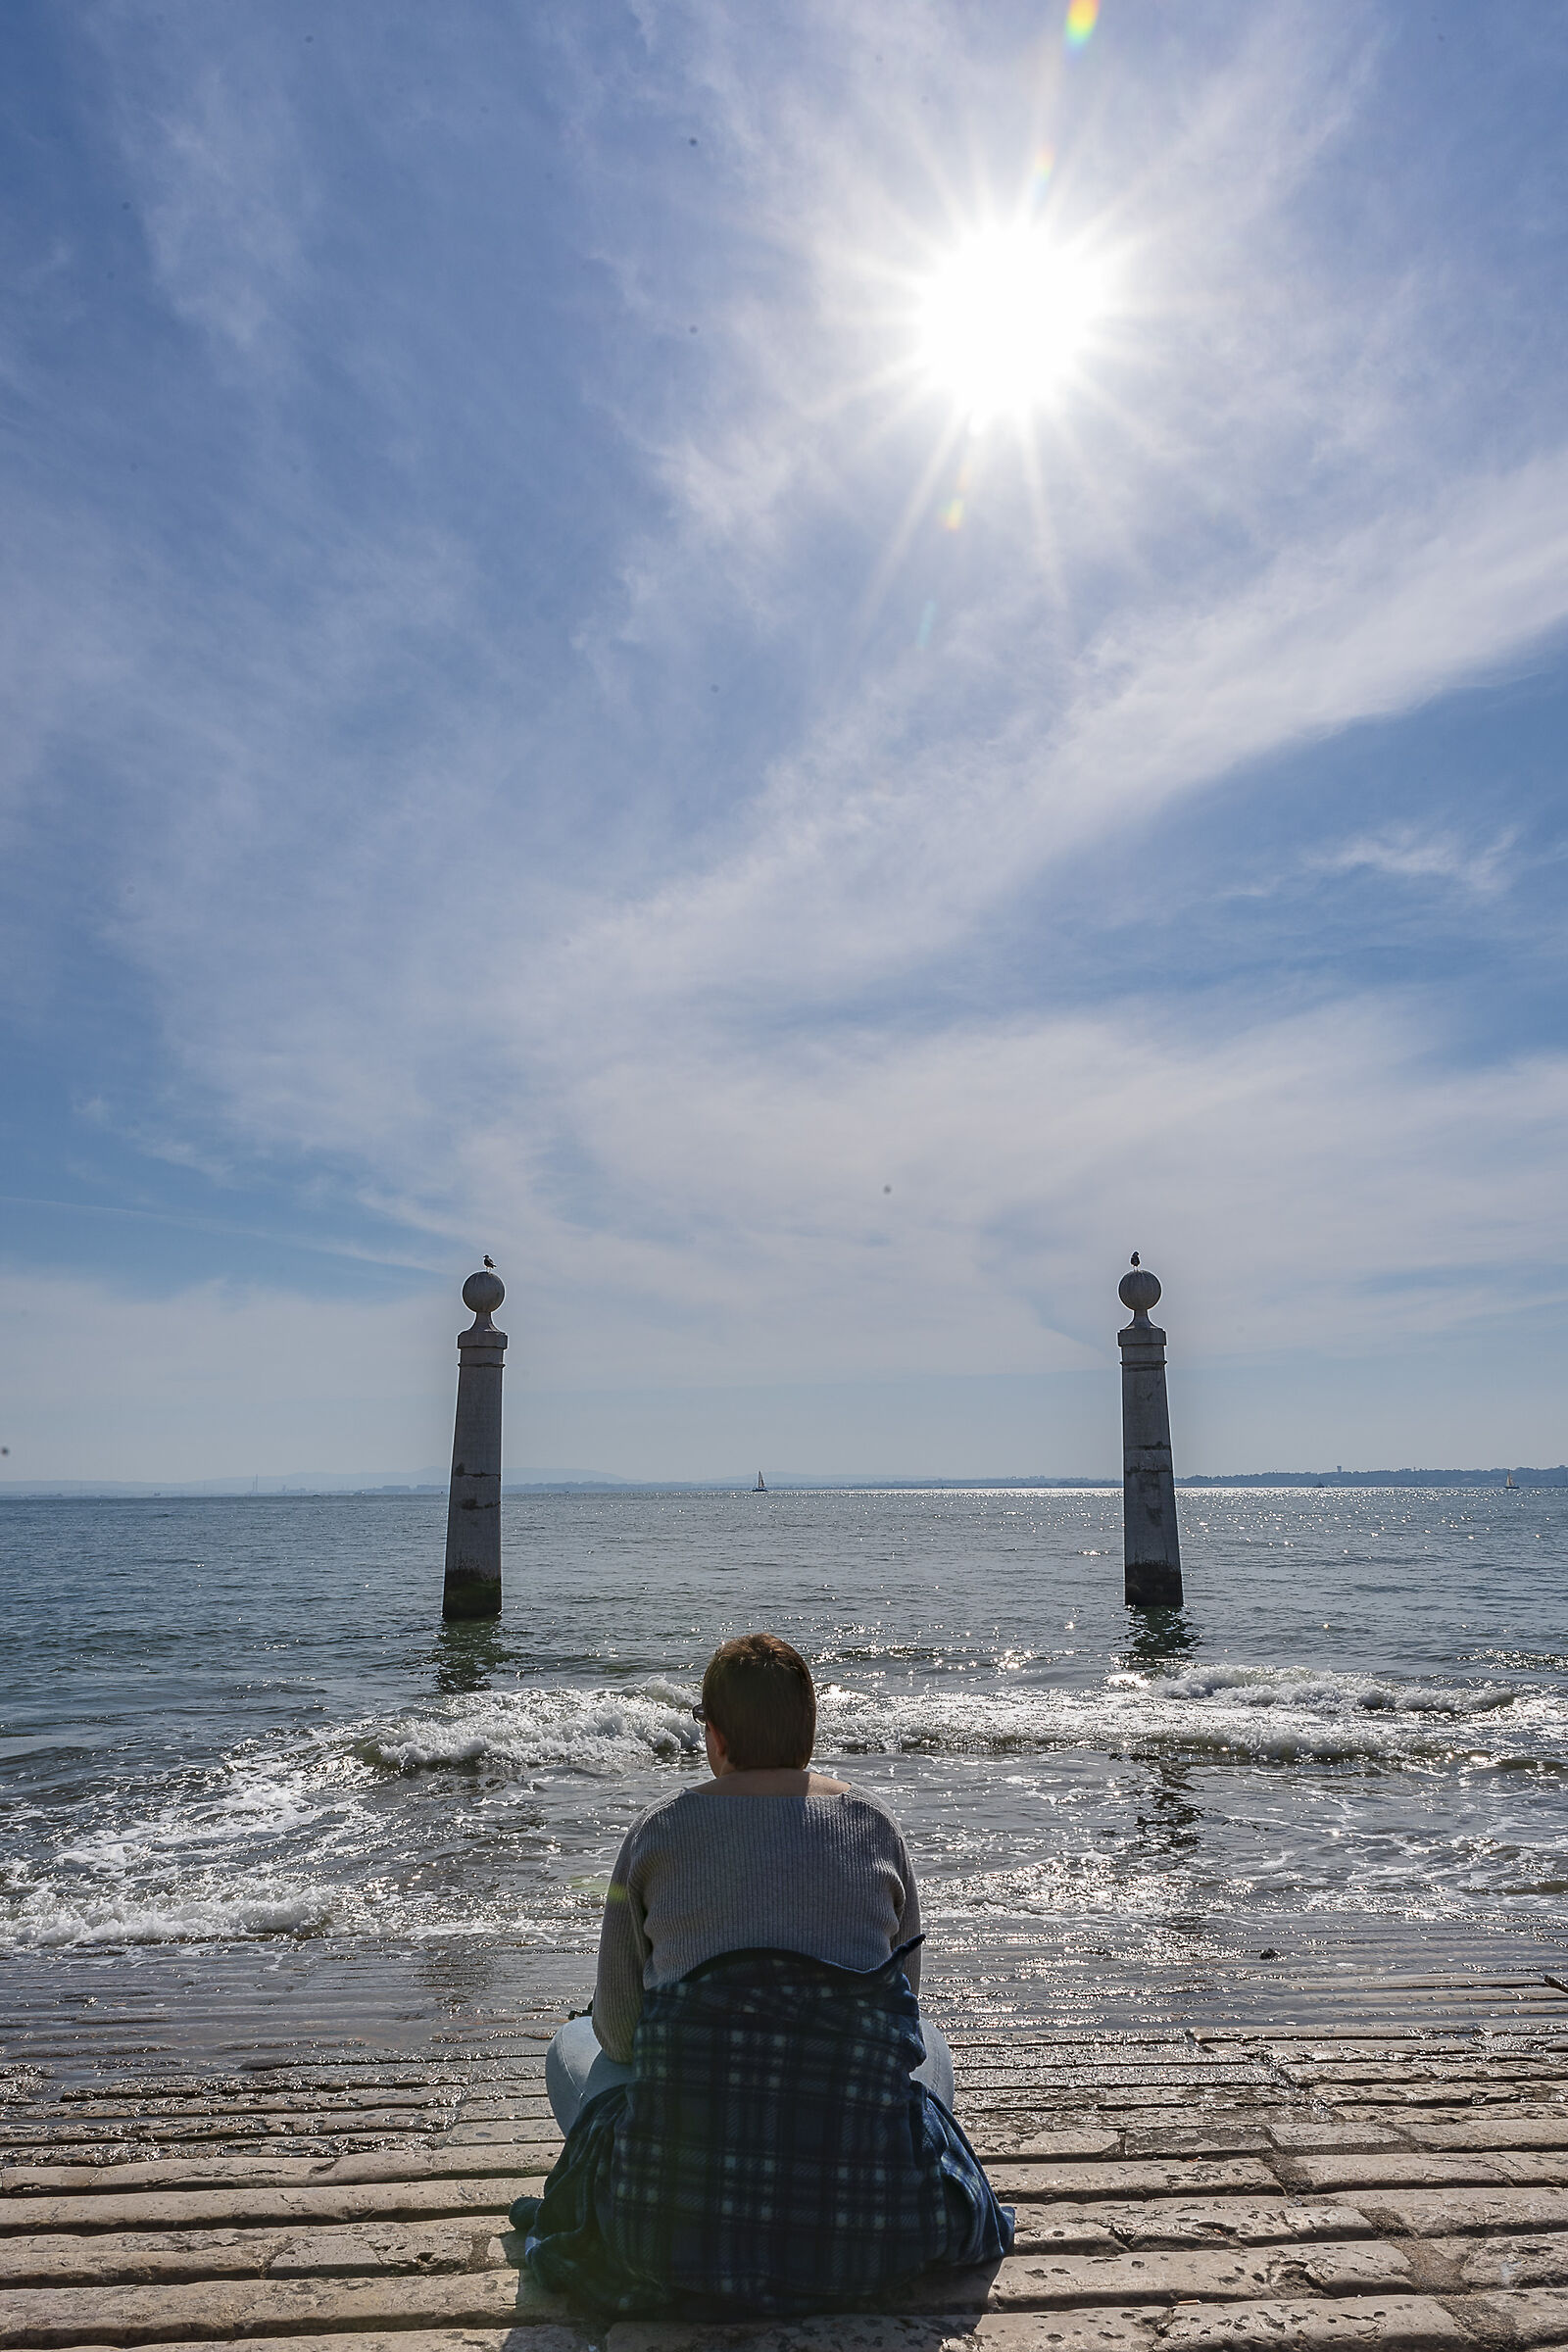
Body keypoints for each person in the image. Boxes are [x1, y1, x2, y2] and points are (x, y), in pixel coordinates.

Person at [515, 1633, 1012, 2319]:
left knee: (571, 2044)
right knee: (928, 2034)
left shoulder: (656, 1832)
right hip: (861, 2213)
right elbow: (904, 2018)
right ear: (809, 1731)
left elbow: (623, 2034)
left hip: (675, 2216)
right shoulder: (873, 1826)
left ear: (715, 1736)